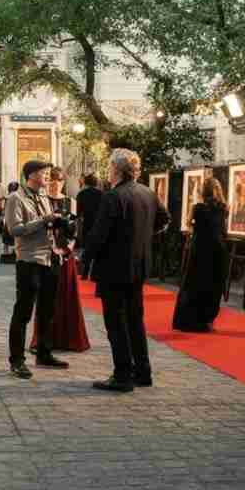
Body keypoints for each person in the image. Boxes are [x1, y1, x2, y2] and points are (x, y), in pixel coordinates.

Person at [87, 148, 169, 392]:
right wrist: (141, 236)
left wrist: (85, 257)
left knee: (116, 322)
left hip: (114, 267)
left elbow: (99, 234)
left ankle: (122, 374)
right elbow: (164, 220)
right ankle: (142, 371)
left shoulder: (113, 196)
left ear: (116, 169)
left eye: (109, 167)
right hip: (138, 265)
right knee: (134, 319)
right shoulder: (148, 193)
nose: (108, 171)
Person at [3, 160, 70, 379]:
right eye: (44, 173)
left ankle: (44, 352)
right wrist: (43, 221)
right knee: (23, 312)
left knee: (47, 310)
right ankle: (17, 360)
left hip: (50, 258)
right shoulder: (15, 198)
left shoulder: (43, 196)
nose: (48, 177)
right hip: (29, 260)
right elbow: (14, 230)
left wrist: (59, 224)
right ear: (31, 175)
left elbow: (47, 224)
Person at [32, 167, 89, 353]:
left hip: (65, 254)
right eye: (51, 181)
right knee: (45, 297)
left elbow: (76, 228)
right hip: (45, 253)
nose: (54, 185)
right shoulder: (41, 201)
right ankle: (44, 340)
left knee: (66, 295)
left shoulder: (70, 202)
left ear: (63, 183)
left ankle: (68, 339)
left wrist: (67, 249)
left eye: (58, 182)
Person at [172, 176, 229, 332]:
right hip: (217, 250)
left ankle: (191, 320)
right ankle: (208, 320)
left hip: (200, 249)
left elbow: (188, 224)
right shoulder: (224, 208)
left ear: (203, 192)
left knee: (195, 283)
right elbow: (222, 228)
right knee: (214, 284)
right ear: (218, 191)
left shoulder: (197, 208)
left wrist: (195, 229)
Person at [75, 173, 104, 274]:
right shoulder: (102, 194)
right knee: (98, 248)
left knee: (86, 248)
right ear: (97, 183)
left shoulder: (81, 194)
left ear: (85, 182)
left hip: (86, 224)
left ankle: (84, 272)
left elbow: (77, 213)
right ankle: (96, 272)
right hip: (99, 224)